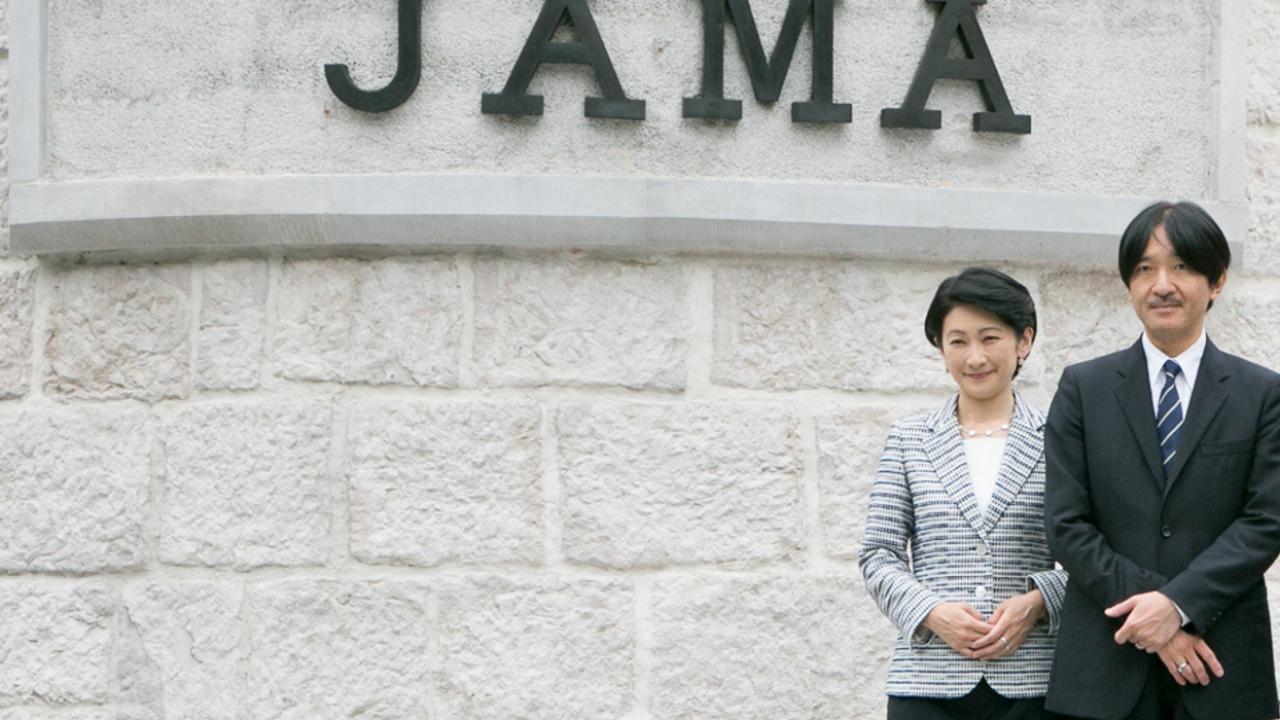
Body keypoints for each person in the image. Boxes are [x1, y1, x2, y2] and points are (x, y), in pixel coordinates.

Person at [1043, 201, 1280, 720]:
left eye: (1181, 267)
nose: (1162, 284)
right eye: (1145, 269)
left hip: (1223, 668)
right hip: (1105, 669)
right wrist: (1158, 615)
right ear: (1129, 285)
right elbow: (1066, 525)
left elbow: (1266, 521)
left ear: (1216, 282)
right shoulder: (1084, 388)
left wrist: (1178, 607)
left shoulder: (1262, 394)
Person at [861, 267, 1067, 720]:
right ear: (942, 349)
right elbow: (878, 555)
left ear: (1023, 342)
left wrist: (1038, 602)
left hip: (1032, 683)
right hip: (927, 684)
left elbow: (1094, 553)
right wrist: (932, 612)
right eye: (957, 341)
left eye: (990, 337)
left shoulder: (1061, 439)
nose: (974, 357)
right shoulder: (909, 439)